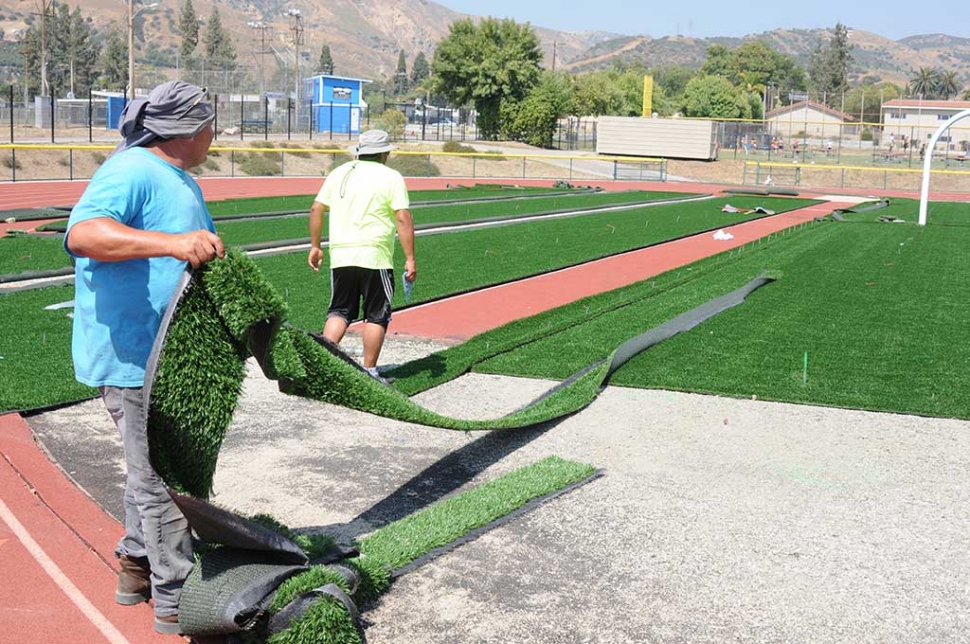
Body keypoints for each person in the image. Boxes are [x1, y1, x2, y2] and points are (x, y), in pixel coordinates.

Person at [64, 80, 223, 636]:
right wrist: (174, 244)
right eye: (210, 122)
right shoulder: (131, 168)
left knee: (152, 471)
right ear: (189, 128)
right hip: (133, 356)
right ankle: (177, 603)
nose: (215, 133)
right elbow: (84, 233)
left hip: (164, 355)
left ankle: (135, 565)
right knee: (161, 481)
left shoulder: (179, 178)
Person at [308, 129, 416, 381]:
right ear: (384, 153)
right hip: (375, 255)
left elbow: (316, 208)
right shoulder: (391, 177)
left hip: (342, 255)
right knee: (376, 315)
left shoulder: (339, 173)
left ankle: (323, 366)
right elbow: (403, 217)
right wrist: (410, 258)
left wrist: (315, 246)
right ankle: (368, 371)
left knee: (339, 311)